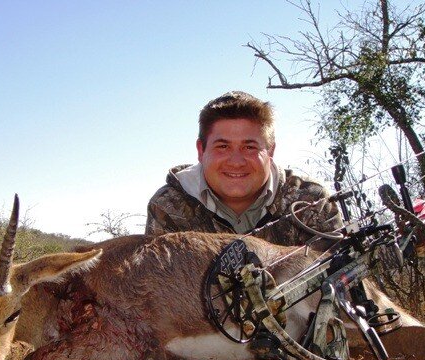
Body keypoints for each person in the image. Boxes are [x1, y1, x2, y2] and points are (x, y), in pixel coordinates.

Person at [145, 91, 342, 249]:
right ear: (201, 150)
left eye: (249, 147)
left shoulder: (311, 200)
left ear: (270, 150)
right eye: (223, 147)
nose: (236, 161)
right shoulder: (168, 206)